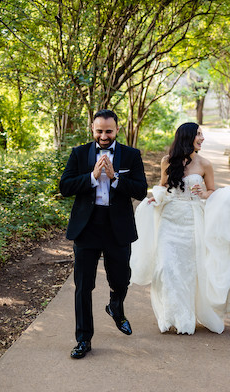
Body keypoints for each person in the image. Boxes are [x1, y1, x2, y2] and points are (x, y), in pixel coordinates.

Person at [60, 109, 148, 359]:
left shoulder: (131, 155)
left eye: (109, 131)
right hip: (86, 227)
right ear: (92, 129)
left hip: (117, 227)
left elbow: (141, 190)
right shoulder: (79, 153)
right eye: (99, 131)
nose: (104, 135)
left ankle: (115, 307)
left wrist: (115, 178)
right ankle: (83, 339)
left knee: (121, 280)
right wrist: (92, 176)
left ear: (117, 130)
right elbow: (65, 187)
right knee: (83, 286)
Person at [130, 122, 221, 334]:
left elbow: (212, 191)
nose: (202, 138)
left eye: (202, 134)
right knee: (165, 268)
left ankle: (185, 318)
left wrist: (202, 193)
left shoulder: (205, 164)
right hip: (169, 219)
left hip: (191, 221)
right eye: (198, 134)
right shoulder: (167, 161)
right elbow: (163, 186)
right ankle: (167, 315)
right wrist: (156, 198)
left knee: (188, 271)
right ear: (187, 137)